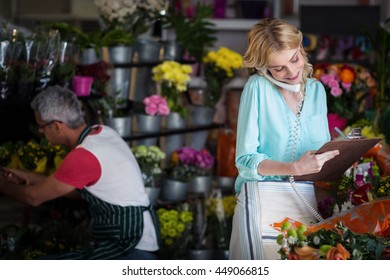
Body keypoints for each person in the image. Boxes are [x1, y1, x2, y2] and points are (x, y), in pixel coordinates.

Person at [0, 85, 160, 260]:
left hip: (131, 248)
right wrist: (28, 177)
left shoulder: (84, 155)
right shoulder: (104, 133)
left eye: (41, 126)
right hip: (141, 240)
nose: (40, 131)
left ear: (56, 126)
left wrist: (3, 185)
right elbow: (76, 190)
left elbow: (34, 198)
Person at [229, 18, 340, 260]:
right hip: (263, 203)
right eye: (278, 67)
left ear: (301, 49)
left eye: (294, 59)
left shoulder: (317, 90)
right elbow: (246, 161)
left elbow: (319, 151)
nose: (291, 72)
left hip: (307, 204)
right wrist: (293, 168)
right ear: (263, 67)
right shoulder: (256, 87)